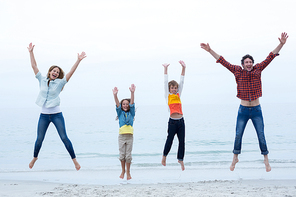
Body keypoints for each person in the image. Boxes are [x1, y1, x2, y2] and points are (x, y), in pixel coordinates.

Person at [200, 32, 289, 172]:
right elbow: (223, 61)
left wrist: (281, 44)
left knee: (261, 134)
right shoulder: (237, 71)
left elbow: (271, 56)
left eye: (250, 62)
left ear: (253, 64)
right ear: (242, 64)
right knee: (238, 134)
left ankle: (266, 160)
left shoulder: (258, 69)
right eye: (246, 62)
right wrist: (210, 50)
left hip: (256, 110)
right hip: (243, 110)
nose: (249, 64)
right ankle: (235, 158)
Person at [27, 42, 86, 171]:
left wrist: (78, 60)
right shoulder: (41, 79)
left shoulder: (60, 83)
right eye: (54, 70)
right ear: (49, 72)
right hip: (43, 115)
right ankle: (35, 157)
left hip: (56, 115)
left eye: (57, 72)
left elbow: (71, 72)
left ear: (58, 75)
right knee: (39, 139)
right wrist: (31, 52)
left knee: (64, 137)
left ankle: (75, 161)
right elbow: (34, 65)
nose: (55, 72)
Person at [161, 60, 186, 171]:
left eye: (175, 88)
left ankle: (181, 159)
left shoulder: (178, 94)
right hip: (172, 122)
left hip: (181, 121)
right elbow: (165, 80)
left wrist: (183, 68)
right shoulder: (168, 96)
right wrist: (166, 69)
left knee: (182, 141)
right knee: (169, 140)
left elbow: (182, 80)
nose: (174, 89)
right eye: (172, 88)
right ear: (169, 89)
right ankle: (164, 156)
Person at [112, 84, 136, 180]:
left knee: (128, 156)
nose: (125, 105)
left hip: (130, 136)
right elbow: (117, 104)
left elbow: (132, 104)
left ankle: (128, 172)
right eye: (124, 104)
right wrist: (115, 95)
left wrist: (132, 92)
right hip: (121, 136)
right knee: (122, 155)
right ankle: (123, 171)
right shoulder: (120, 113)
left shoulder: (131, 113)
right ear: (122, 106)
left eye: (127, 104)